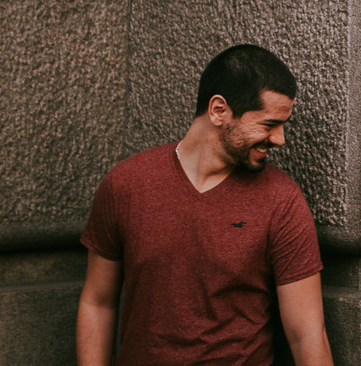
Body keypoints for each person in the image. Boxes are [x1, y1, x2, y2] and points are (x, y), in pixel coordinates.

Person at [76, 44, 334, 366]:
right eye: (269, 125)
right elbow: (98, 302)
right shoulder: (126, 184)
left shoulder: (282, 201)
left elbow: (307, 334)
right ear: (218, 111)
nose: (280, 139)